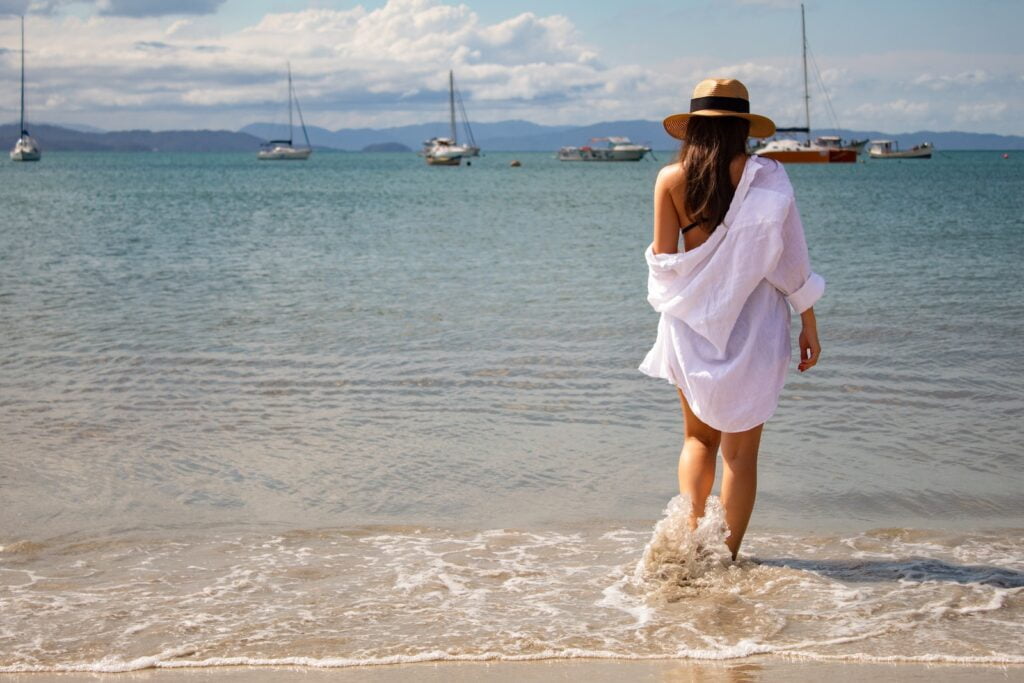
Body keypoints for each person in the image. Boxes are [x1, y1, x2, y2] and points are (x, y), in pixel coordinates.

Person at [639, 78, 824, 560]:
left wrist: (696, 301)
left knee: (697, 438)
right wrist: (808, 320)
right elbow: (792, 260)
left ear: (694, 127)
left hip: (691, 321)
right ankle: (726, 557)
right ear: (743, 127)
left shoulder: (670, 179)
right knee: (740, 457)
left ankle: (690, 538)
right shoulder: (768, 176)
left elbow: (664, 264)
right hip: (756, 324)